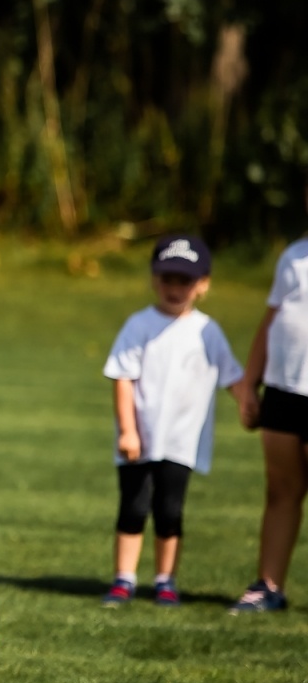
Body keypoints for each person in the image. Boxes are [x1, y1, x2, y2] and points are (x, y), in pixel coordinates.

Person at [101, 235, 246, 608]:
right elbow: (122, 377)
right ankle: (124, 578)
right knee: (133, 508)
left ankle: (165, 579)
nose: (175, 288)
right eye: (168, 279)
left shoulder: (207, 331)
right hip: (139, 439)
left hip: (182, 441)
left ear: (203, 285)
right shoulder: (139, 325)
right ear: (154, 279)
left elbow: (232, 375)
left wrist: (248, 403)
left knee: (169, 511)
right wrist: (128, 430)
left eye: (185, 280)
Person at [231, 225, 308, 613]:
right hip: (283, 389)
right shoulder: (293, 255)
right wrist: (250, 383)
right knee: (280, 489)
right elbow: (271, 320)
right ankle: (268, 586)